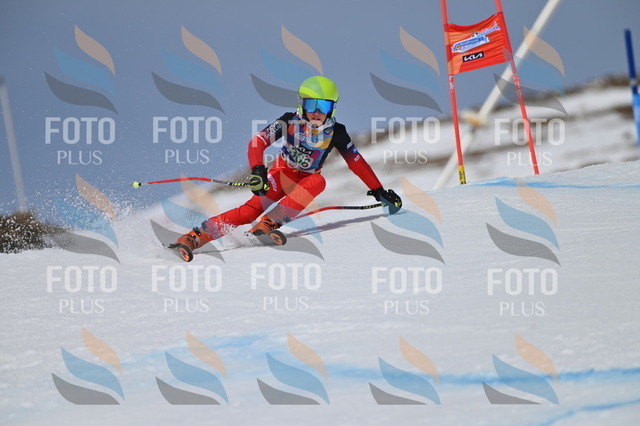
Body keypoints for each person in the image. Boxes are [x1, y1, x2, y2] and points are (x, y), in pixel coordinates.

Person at [173, 76, 402, 253]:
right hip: (280, 175)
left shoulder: (337, 132)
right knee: (249, 211)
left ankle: (267, 225)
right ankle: (194, 238)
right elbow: (257, 142)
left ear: (333, 108)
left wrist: (379, 190)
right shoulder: (289, 121)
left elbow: (357, 163)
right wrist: (258, 170)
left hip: (305, 181)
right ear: (302, 105)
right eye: (312, 105)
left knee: (318, 181)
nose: (317, 113)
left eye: (323, 107)